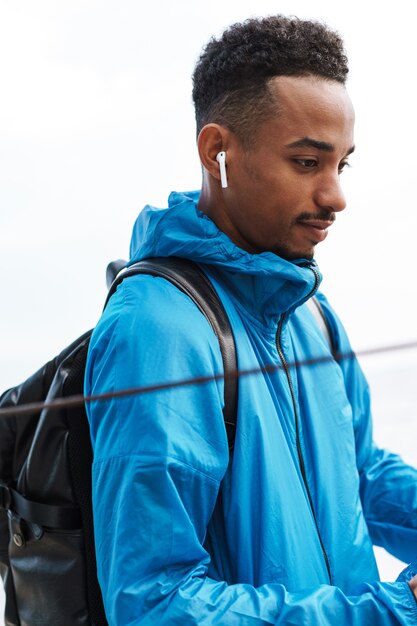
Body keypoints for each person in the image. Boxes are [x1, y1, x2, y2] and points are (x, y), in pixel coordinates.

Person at [85, 15, 417, 624]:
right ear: (218, 151)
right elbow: (153, 602)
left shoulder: (312, 312)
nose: (336, 196)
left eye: (341, 165)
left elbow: (364, 473)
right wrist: (395, 610)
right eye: (306, 162)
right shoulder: (155, 330)